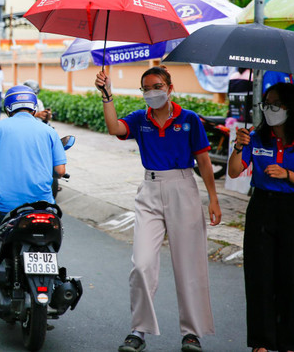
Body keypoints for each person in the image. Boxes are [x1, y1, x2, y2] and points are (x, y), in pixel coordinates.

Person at [95, 66, 221, 352]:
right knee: (141, 264)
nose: (152, 92)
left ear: (170, 87)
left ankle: (192, 333)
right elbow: (115, 128)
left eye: (157, 86)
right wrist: (107, 96)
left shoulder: (189, 119)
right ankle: (138, 330)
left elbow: (203, 161)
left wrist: (213, 198)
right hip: (150, 190)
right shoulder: (140, 119)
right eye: (147, 88)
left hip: (183, 188)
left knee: (189, 265)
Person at [0, 85, 66, 284]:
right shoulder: (48, 131)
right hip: (45, 208)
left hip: (5, 208)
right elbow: (60, 171)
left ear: (8, 107)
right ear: (34, 107)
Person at [228, 82, 294, 352]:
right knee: (259, 277)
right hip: (261, 208)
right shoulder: (256, 137)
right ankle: (261, 344)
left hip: (293, 210)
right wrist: (237, 146)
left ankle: (287, 344)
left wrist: (289, 176)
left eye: (275, 104)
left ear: (290, 108)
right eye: (265, 103)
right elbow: (234, 172)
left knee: (289, 279)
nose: (269, 109)